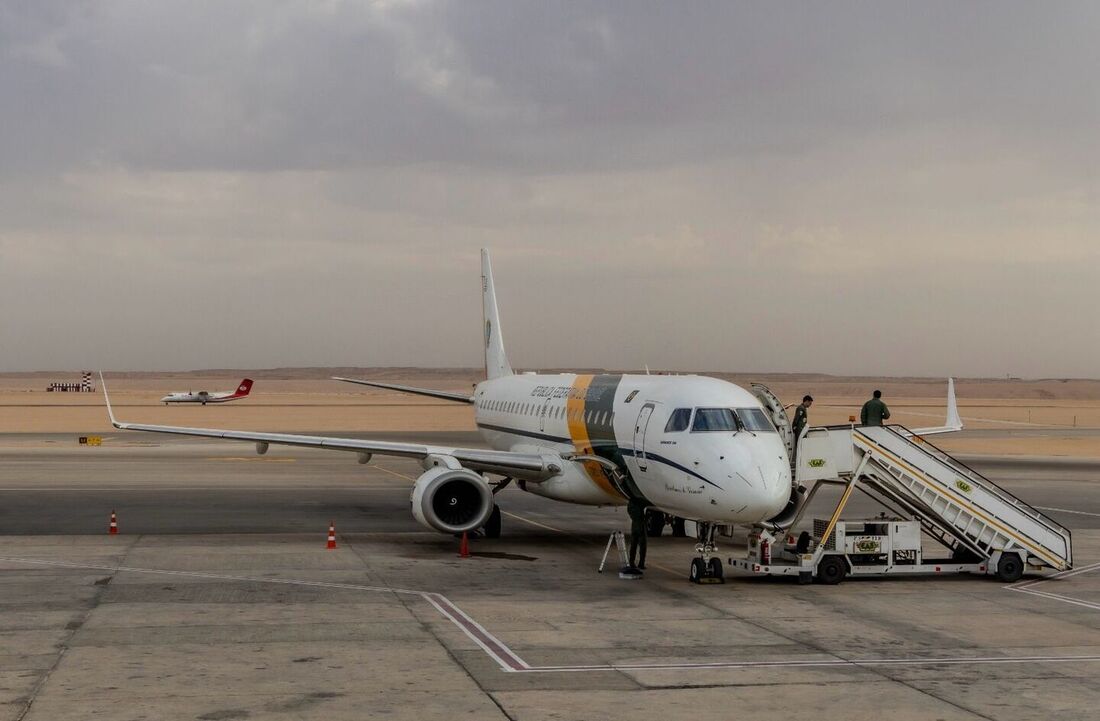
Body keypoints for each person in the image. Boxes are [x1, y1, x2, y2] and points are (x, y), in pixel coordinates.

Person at [627, 497, 648, 572]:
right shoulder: (640, 501)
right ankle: (641, 563)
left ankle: (631, 562)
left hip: (634, 524)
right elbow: (646, 503)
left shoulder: (631, 503)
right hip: (640, 525)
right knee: (643, 546)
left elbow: (629, 510)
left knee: (633, 545)